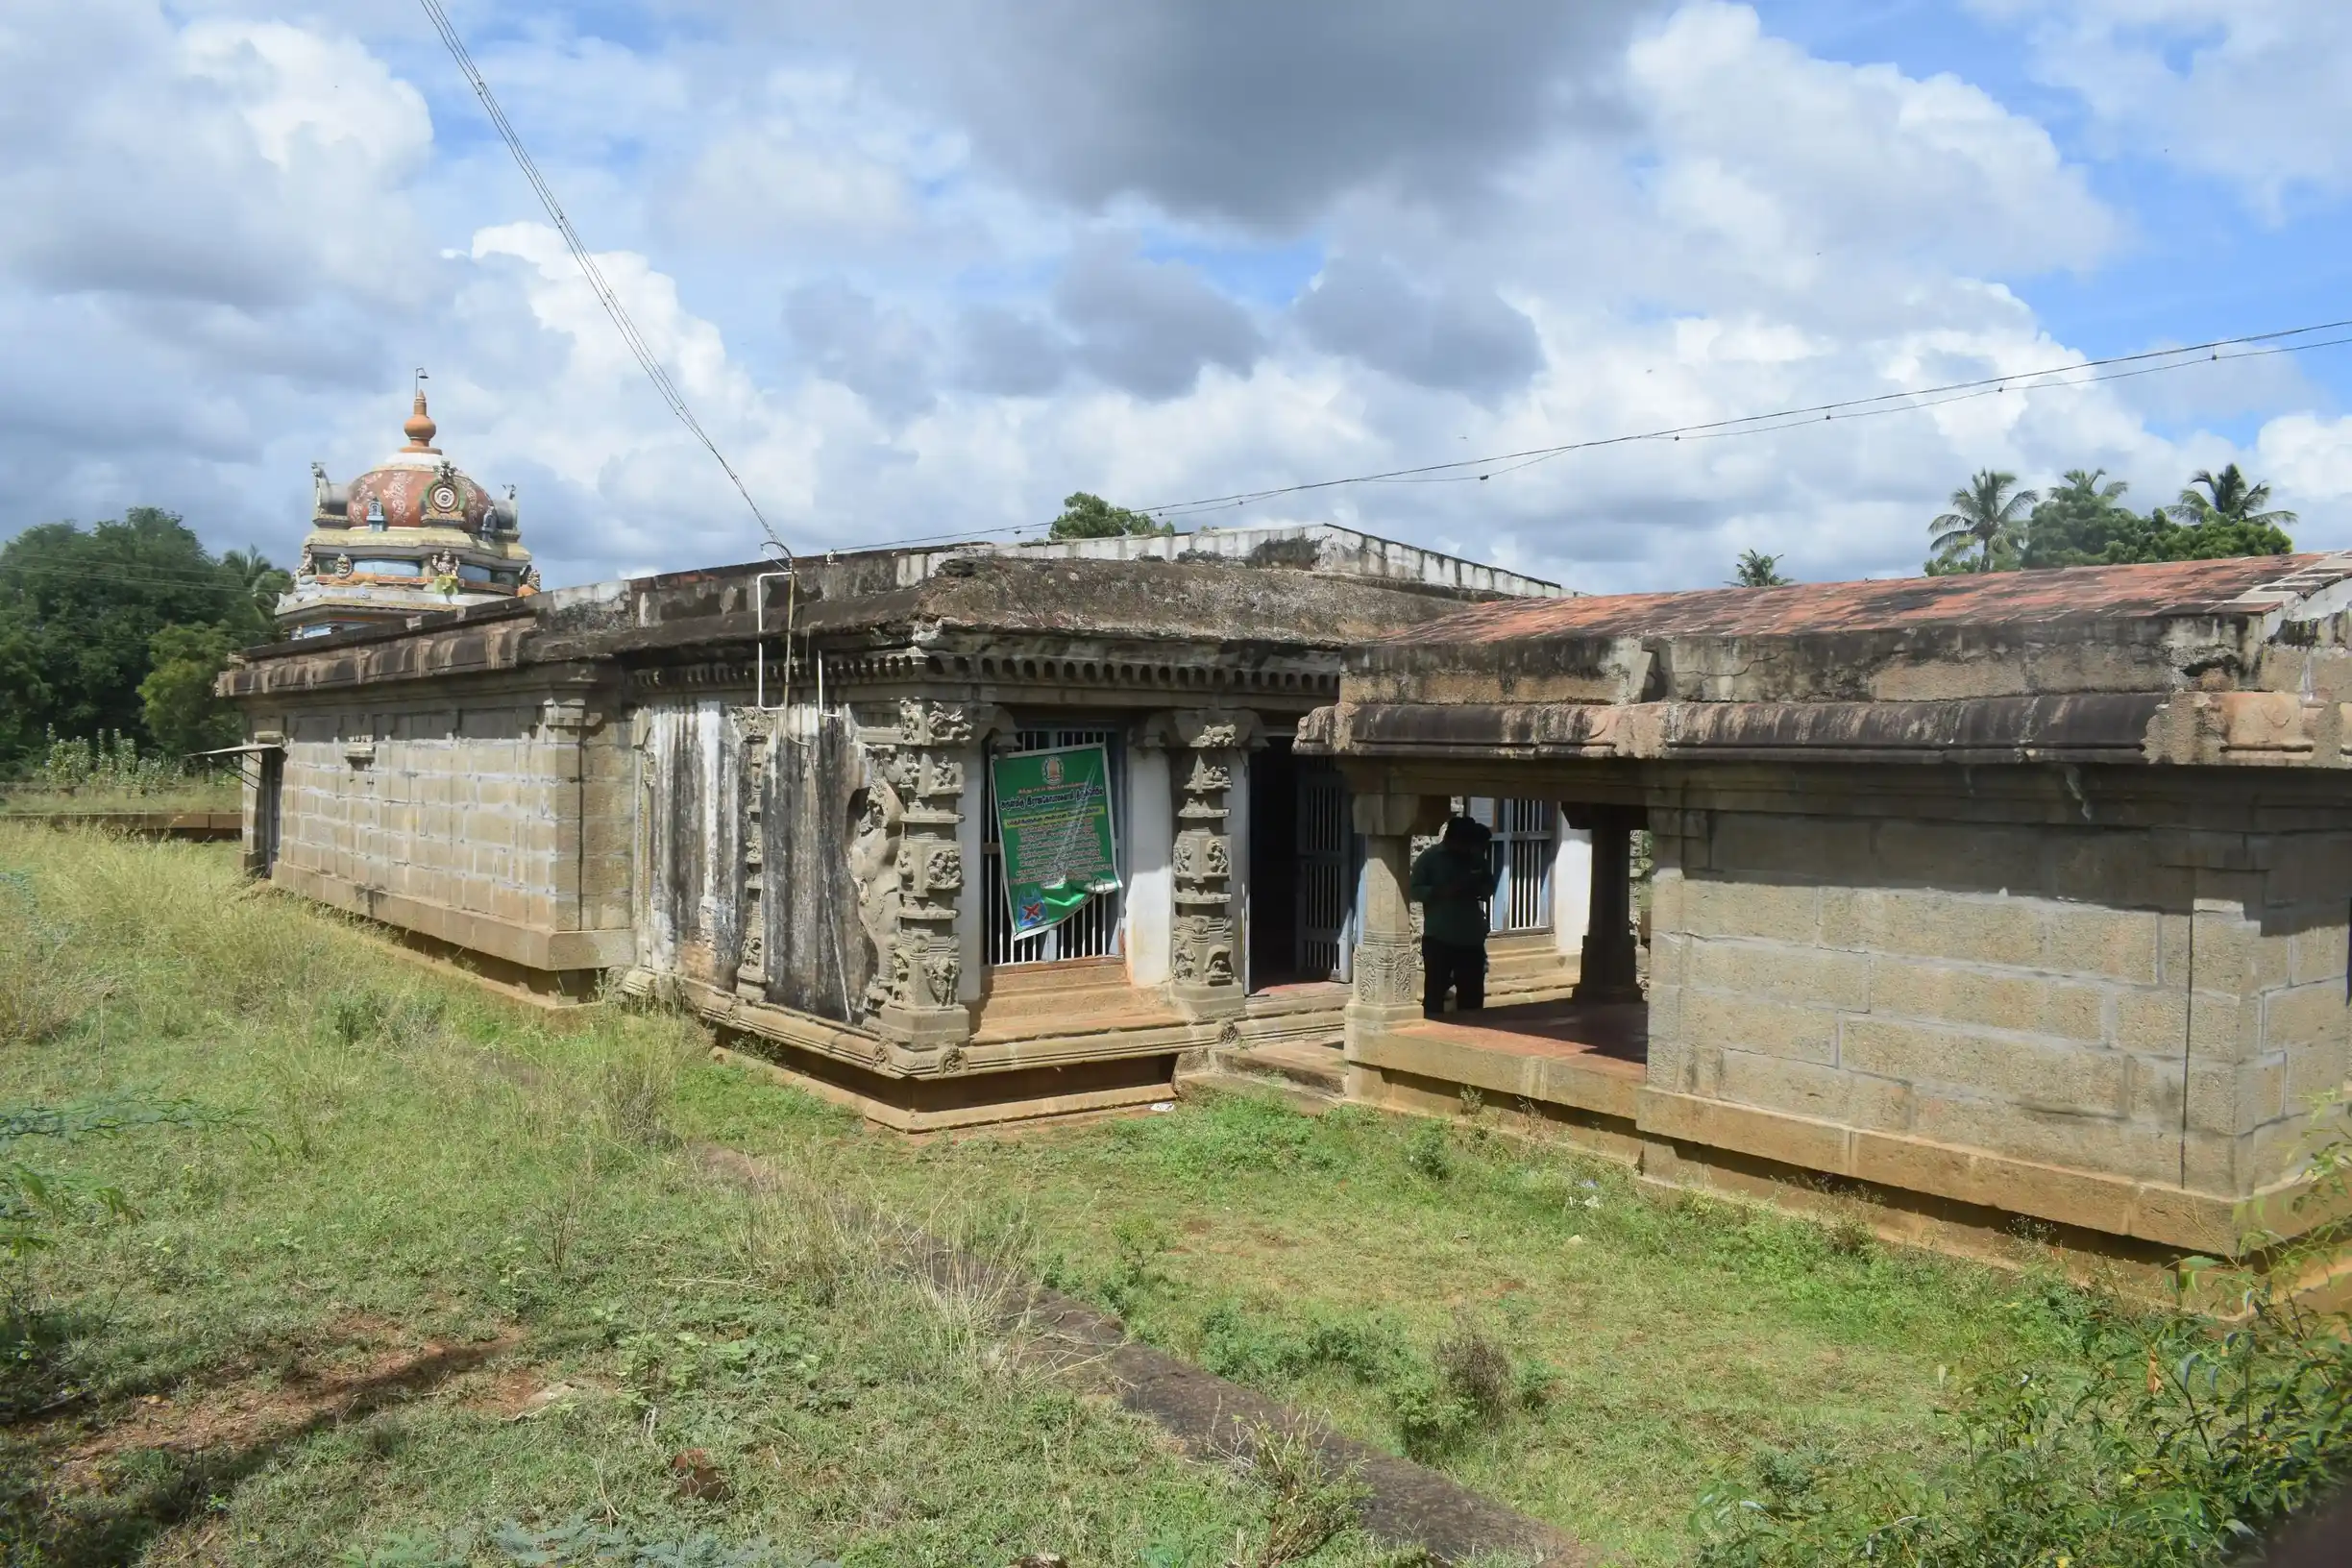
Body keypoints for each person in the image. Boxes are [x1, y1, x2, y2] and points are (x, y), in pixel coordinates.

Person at [1409, 816, 1494, 1017]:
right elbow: (1414, 890)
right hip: (1440, 936)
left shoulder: (1475, 859)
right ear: (1450, 838)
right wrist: (1440, 892)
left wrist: (1476, 887)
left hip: (1470, 937)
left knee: (1472, 996)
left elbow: (1488, 887)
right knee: (1435, 994)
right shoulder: (1430, 859)